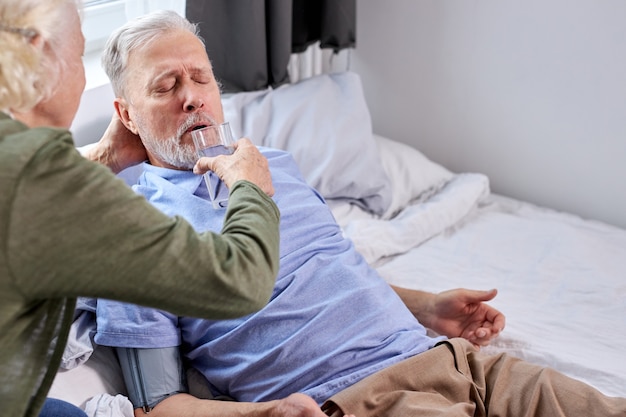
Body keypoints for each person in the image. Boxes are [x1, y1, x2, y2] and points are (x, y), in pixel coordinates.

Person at [92, 10, 626, 417]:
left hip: (461, 363)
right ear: (126, 115)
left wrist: (427, 306)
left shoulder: (273, 165)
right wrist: (266, 413)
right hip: (363, 399)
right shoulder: (135, 235)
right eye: (165, 86)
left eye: (201, 78)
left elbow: (326, 271)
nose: (193, 99)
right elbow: (158, 404)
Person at [0, 1, 282, 417]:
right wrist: (252, 189)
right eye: (79, 56)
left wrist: (105, 156)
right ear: (41, 52)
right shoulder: (56, 181)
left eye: (201, 78)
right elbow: (242, 281)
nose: (191, 98)